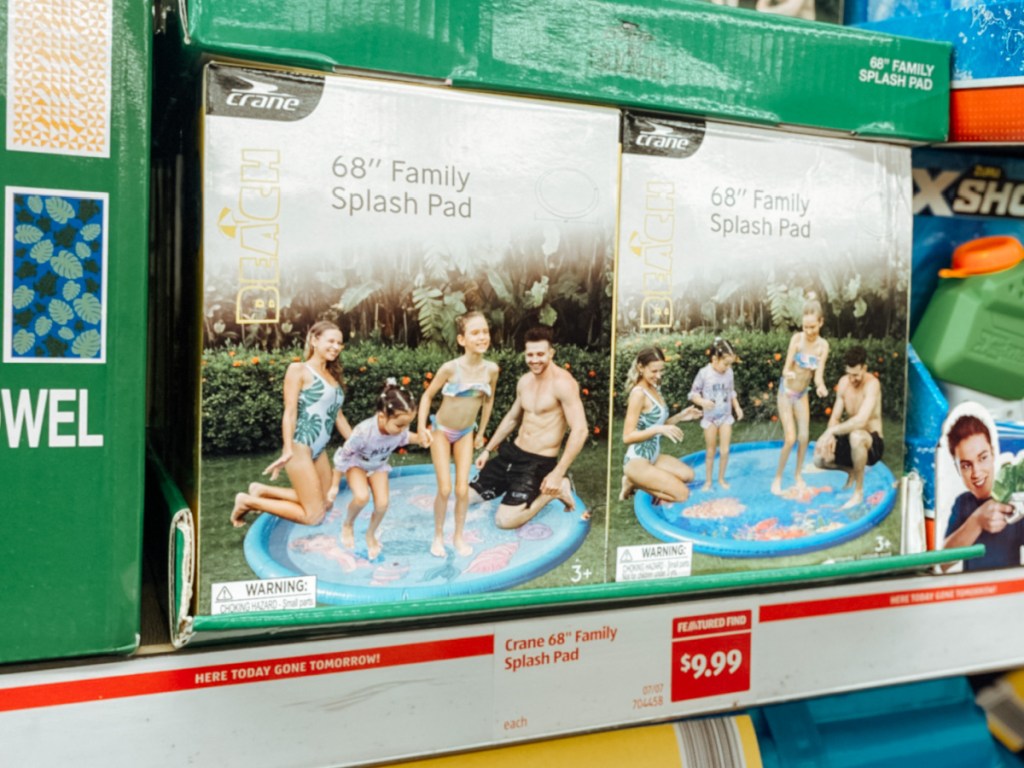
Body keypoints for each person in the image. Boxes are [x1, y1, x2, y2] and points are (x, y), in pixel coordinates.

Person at [230, 321, 353, 527]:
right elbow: (290, 412)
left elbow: (338, 416)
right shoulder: (299, 369)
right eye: (330, 341)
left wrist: (359, 446)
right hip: (300, 446)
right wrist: (287, 449)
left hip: (319, 448)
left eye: (339, 343)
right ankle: (247, 501)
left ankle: (262, 490)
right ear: (315, 340)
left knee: (327, 503)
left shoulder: (332, 377)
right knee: (314, 517)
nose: (336, 347)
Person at [471, 326, 589, 528]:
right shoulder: (525, 381)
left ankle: (556, 491)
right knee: (463, 499)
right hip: (512, 454)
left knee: (504, 521)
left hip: (536, 463)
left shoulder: (563, 384)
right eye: (530, 355)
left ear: (551, 353)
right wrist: (488, 450)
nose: (535, 360)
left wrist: (558, 473)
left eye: (541, 354)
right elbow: (511, 418)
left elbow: (580, 430)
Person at [418, 311, 499, 557]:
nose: (482, 337)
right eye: (475, 332)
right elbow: (427, 396)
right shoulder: (450, 369)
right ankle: (438, 537)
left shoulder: (491, 370)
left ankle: (458, 537)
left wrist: (480, 433)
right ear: (462, 340)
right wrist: (422, 427)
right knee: (445, 489)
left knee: (462, 490)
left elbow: (488, 402)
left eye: (485, 331)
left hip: (465, 433)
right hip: (442, 431)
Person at [330, 379, 426, 560]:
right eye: (399, 425)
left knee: (382, 504)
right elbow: (343, 457)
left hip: (378, 465)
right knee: (362, 497)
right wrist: (334, 486)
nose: (403, 429)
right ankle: (348, 524)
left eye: (407, 424)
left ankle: (370, 534)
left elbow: (408, 437)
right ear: (382, 416)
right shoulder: (363, 432)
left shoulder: (398, 430)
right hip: (356, 463)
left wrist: (422, 439)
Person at [619, 347, 702, 503]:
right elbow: (627, 437)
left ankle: (636, 481)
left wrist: (681, 416)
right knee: (682, 494)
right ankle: (632, 480)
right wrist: (658, 429)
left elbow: (658, 423)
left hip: (653, 456)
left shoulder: (654, 388)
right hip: (637, 461)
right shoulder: (638, 394)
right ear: (640, 368)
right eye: (654, 371)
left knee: (688, 475)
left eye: (661, 371)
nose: (658, 376)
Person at [942, 414, 1021, 572]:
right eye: (966, 465)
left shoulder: (1015, 497)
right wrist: (977, 520)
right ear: (957, 468)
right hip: (971, 591)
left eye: (982, 458)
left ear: (993, 453)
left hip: (1010, 590)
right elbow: (942, 563)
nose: (976, 473)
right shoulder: (962, 503)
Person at [772, 295, 830, 495]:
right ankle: (778, 478)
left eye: (813, 327)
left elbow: (818, 376)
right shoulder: (796, 339)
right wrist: (787, 373)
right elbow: (786, 368)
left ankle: (797, 475)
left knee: (804, 437)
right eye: (805, 327)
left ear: (821, 322)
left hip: (802, 393)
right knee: (791, 438)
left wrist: (821, 386)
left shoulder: (823, 346)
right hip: (786, 392)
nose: (809, 331)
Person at [812, 345, 883, 509]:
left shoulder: (872, 384)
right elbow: (835, 417)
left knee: (857, 436)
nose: (852, 379)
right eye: (849, 374)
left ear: (864, 368)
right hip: (850, 438)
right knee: (819, 458)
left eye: (856, 375)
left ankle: (858, 493)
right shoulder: (843, 383)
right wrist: (830, 437)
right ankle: (851, 470)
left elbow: (860, 421)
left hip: (871, 442)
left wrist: (831, 431)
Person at [689, 337, 744, 490]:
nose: (727, 367)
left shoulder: (729, 373)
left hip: (725, 417)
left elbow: (731, 391)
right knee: (711, 451)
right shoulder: (704, 373)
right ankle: (708, 481)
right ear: (714, 359)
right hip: (710, 419)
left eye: (730, 364)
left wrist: (737, 407)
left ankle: (721, 479)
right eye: (725, 363)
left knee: (725, 450)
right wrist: (703, 402)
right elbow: (693, 394)